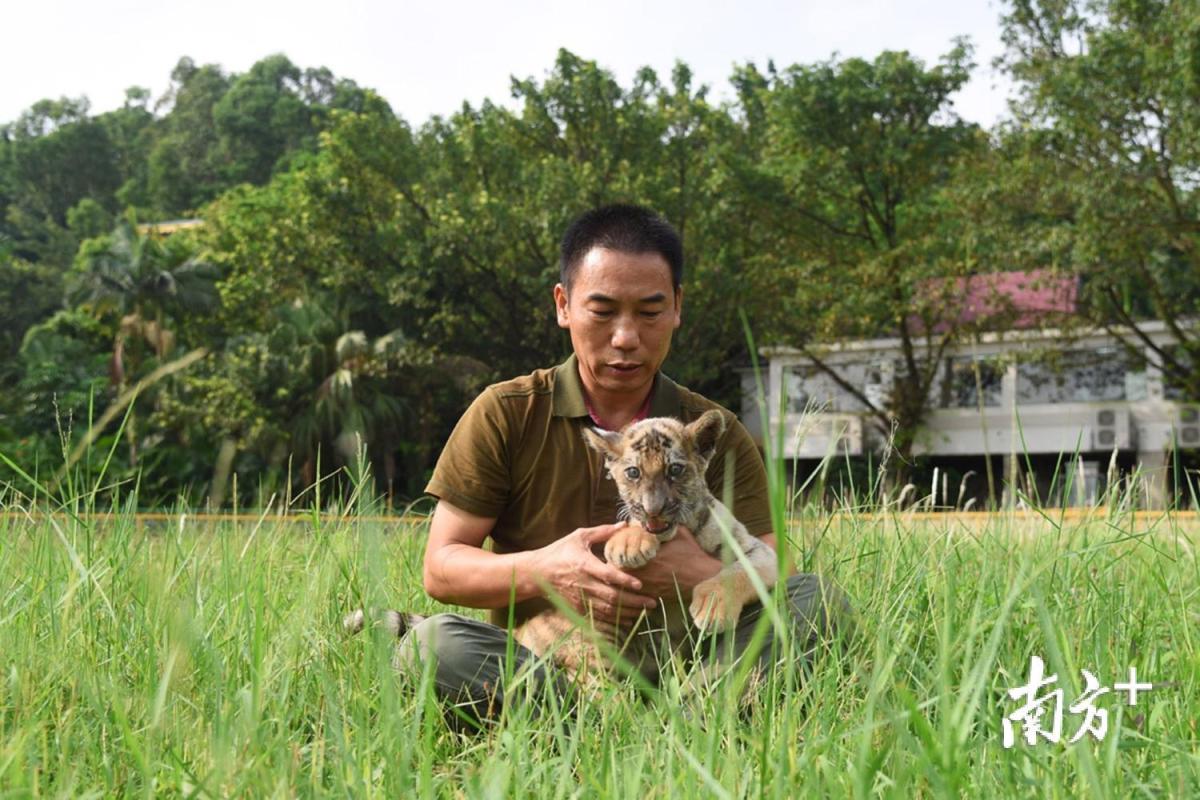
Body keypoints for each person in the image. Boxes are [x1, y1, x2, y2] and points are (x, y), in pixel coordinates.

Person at [403, 204, 852, 725]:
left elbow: (779, 568)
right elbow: (442, 569)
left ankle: (686, 724)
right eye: (603, 310)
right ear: (563, 305)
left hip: (697, 664)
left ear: (678, 307)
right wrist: (550, 571)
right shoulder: (507, 411)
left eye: (649, 311)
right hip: (556, 668)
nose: (625, 337)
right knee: (432, 644)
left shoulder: (708, 429)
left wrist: (697, 574)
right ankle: (623, 733)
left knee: (816, 602)